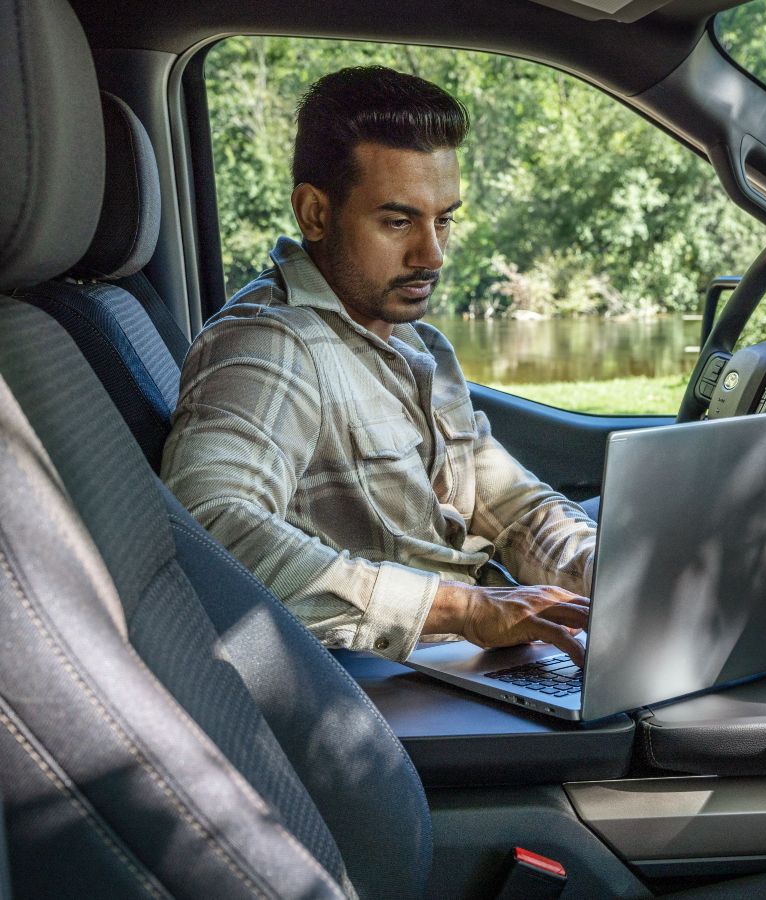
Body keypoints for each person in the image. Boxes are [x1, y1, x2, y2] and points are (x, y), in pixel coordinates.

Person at [161, 67, 594, 665]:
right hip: (379, 684)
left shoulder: (418, 344)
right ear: (315, 213)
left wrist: (611, 580)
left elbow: (511, 508)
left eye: (443, 219)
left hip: (465, 661)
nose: (432, 253)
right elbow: (207, 528)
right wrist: (463, 611)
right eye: (398, 221)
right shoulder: (271, 344)